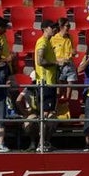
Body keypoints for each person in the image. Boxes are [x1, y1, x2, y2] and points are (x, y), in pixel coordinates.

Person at [28, 20, 60, 151]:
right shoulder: (42, 42)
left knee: (48, 115)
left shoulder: (48, 42)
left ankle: (44, 142)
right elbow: (40, 61)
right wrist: (55, 63)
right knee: (45, 115)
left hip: (49, 83)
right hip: (45, 83)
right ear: (45, 28)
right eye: (52, 27)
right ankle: (41, 143)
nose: (55, 29)